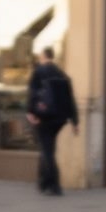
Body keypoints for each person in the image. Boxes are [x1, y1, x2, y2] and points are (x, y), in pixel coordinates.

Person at [24, 46, 78, 195]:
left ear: (43, 56)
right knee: (47, 148)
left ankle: (54, 184)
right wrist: (75, 121)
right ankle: (43, 182)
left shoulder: (39, 72)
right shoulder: (61, 73)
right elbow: (70, 98)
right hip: (59, 119)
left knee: (47, 151)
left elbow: (32, 93)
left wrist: (30, 112)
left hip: (43, 117)